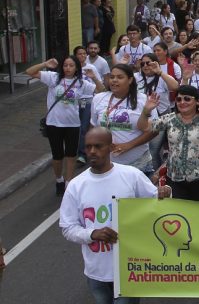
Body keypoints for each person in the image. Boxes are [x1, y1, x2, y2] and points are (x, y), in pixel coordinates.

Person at [59, 127, 171, 304]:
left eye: (98, 146)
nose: (92, 151)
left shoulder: (131, 175)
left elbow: (158, 202)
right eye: (88, 147)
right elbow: (67, 227)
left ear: (110, 147)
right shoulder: (75, 186)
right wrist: (92, 234)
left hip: (129, 270)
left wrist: (166, 192)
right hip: (96, 272)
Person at [138, 85, 199, 202]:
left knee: (196, 213)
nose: (182, 102)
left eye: (187, 99)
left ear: (197, 101)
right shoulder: (170, 118)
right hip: (175, 177)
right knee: (178, 215)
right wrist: (146, 111)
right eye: (178, 99)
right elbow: (143, 127)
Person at [27, 56, 96, 195]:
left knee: (71, 155)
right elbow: (30, 71)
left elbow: (101, 90)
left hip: (73, 125)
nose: (68, 68)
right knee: (57, 156)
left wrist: (94, 78)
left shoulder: (81, 83)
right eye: (65, 65)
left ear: (77, 67)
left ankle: (68, 183)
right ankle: (59, 179)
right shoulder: (53, 77)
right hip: (54, 124)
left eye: (71, 65)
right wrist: (45, 63)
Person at [91, 64, 158, 176]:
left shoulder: (143, 100)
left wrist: (128, 145)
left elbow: (155, 130)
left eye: (120, 77)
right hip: (107, 163)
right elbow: (93, 127)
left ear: (130, 80)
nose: (114, 81)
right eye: (112, 77)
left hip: (138, 163)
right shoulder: (98, 99)